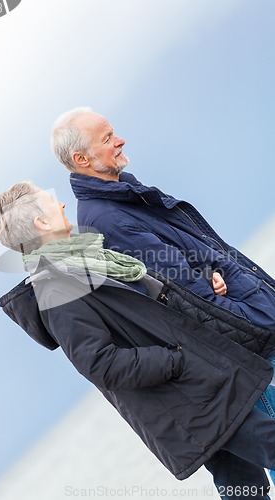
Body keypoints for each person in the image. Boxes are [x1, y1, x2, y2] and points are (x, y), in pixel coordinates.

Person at [0, 182, 275, 500]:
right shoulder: (56, 287)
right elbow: (99, 362)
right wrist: (177, 361)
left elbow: (148, 310)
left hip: (204, 390)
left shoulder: (86, 262)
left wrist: (204, 281)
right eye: (52, 202)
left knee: (245, 489)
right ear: (42, 223)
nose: (63, 206)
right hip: (195, 399)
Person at [51, 106, 275, 410]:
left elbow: (187, 259)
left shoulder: (122, 194)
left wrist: (210, 272)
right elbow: (189, 297)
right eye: (107, 138)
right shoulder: (107, 218)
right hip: (258, 337)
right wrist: (256, 321)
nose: (120, 141)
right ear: (81, 159)